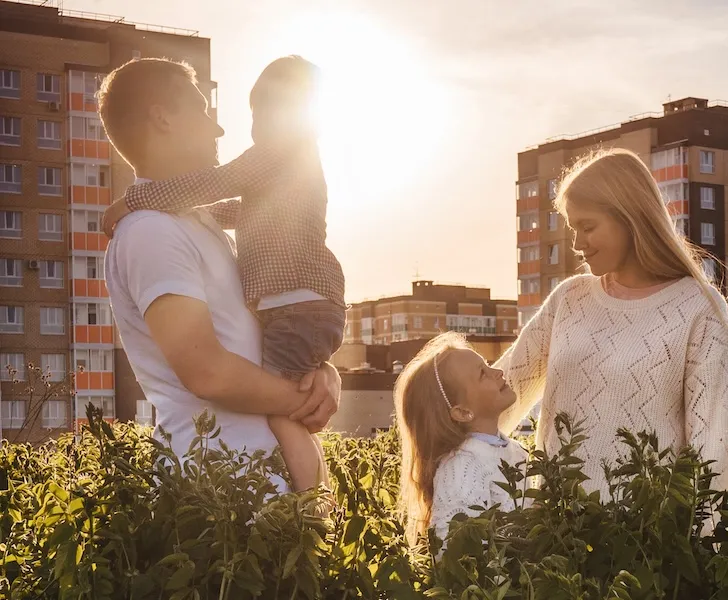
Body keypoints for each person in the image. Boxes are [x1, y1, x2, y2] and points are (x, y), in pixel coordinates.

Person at [97, 58, 340, 495]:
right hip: (217, 502)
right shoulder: (150, 230)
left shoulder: (198, 224)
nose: (220, 130)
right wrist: (304, 399)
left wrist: (323, 375)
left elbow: (265, 331)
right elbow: (208, 373)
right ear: (162, 117)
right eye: (202, 110)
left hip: (255, 496)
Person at [496, 148, 728, 497]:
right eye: (573, 229)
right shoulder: (569, 299)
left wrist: (702, 544)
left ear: (629, 216)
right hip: (553, 535)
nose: (577, 244)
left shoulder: (699, 308)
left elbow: (713, 450)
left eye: (587, 227)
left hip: (642, 541)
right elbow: (500, 394)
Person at [395, 333, 529, 547]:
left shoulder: (518, 452)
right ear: (463, 412)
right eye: (482, 374)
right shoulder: (461, 468)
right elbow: (456, 554)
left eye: (488, 365)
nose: (498, 371)